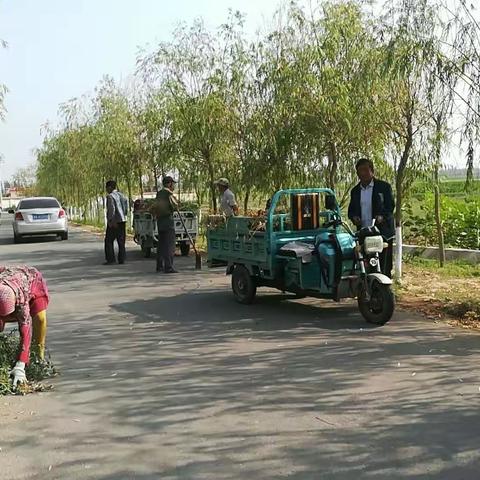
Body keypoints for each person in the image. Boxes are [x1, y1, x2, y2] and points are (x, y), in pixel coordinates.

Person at [0, 265, 49, 388]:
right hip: (9, 278)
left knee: (40, 319)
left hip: (34, 282)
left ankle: (38, 357)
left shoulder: (21, 303)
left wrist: (20, 365)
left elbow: (25, 333)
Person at [348, 158, 395, 278]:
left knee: (384, 262)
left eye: (365, 170)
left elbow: (390, 206)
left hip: (382, 232)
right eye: (360, 171)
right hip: (365, 232)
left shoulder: (383, 187)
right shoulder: (355, 191)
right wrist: (354, 217)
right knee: (366, 262)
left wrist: (382, 217)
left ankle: (383, 287)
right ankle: (367, 287)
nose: (363, 173)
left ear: (372, 171)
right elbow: (351, 211)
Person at [155, 176, 178, 274]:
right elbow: (174, 205)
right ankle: (168, 267)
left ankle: (159, 265)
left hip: (160, 222)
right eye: (173, 184)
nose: (173, 186)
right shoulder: (169, 193)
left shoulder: (159, 193)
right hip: (168, 222)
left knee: (161, 245)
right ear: (169, 184)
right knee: (169, 245)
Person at [104, 180, 129, 265]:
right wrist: (124, 215)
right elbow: (126, 206)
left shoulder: (110, 196)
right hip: (122, 220)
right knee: (121, 241)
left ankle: (111, 259)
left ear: (110, 187)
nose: (106, 190)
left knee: (108, 240)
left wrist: (111, 220)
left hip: (115, 221)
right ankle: (122, 259)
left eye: (106, 187)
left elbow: (111, 209)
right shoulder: (122, 195)